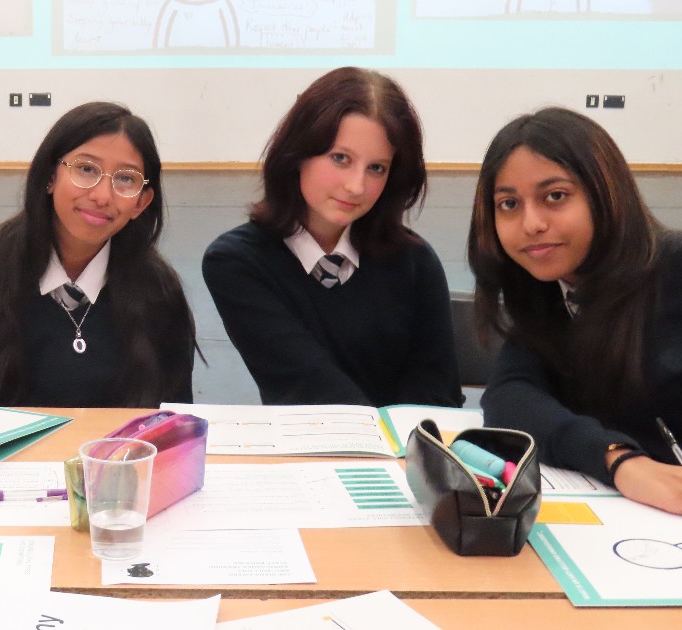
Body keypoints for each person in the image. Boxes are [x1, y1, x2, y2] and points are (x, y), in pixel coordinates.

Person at [202, 66, 463, 407]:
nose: (356, 186)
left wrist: (405, 448)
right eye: (340, 159)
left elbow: (436, 390)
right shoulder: (237, 262)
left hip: (404, 453)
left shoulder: (415, 261)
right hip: (313, 451)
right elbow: (306, 384)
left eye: (376, 168)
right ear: (298, 154)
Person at [468, 107, 682, 514]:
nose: (531, 223)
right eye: (509, 203)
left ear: (606, 193)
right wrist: (616, 458)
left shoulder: (673, 271)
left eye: (555, 197)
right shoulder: (546, 290)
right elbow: (509, 396)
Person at [0, 101, 197, 407]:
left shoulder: (158, 293)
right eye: (85, 169)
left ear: (141, 202)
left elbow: (171, 423)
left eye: (125, 179)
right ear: (49, 176)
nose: (102, 196)